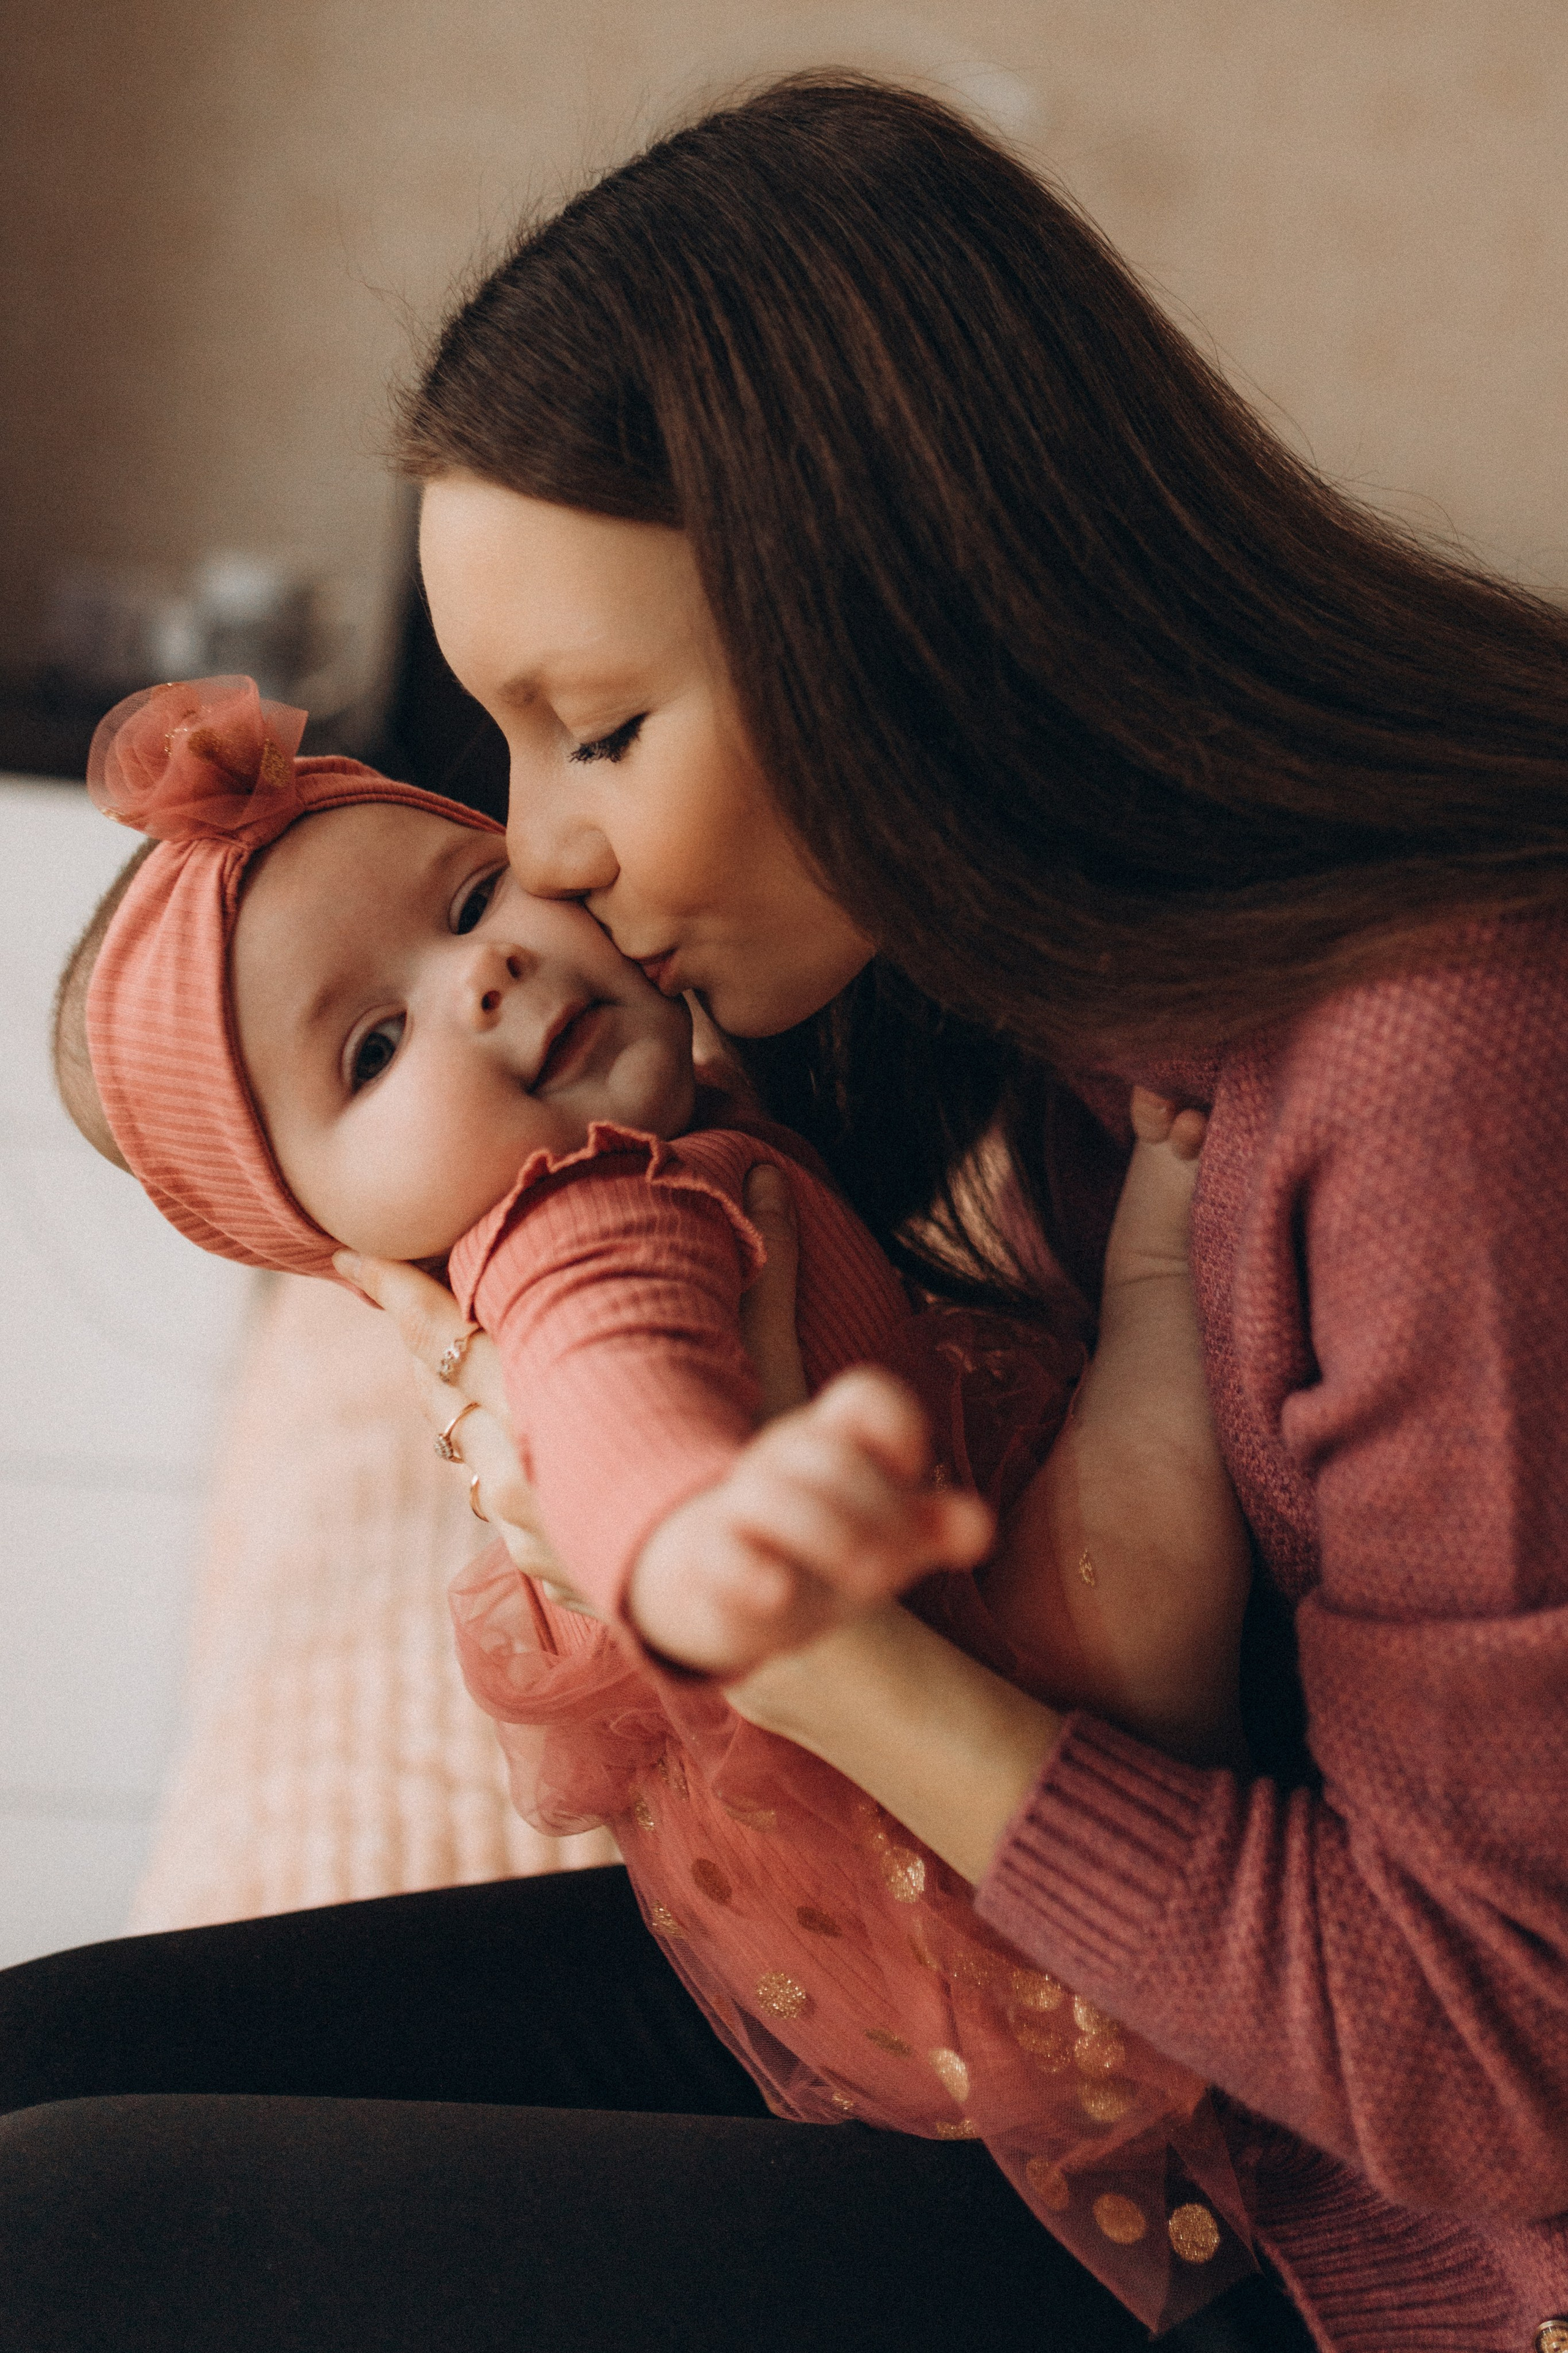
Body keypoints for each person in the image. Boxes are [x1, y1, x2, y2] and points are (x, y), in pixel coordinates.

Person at [5, 64, 1561, 2353]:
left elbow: (1500, 2073)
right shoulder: (1035, 983)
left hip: (1365, 2227)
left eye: (598, 733)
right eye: (500, 748)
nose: (541, 858)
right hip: (1104, 2010)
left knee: (64, 2235)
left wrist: (817, 1660)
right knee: (39, 2061)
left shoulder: (1440, 1068)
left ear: (911, 635)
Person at [52, 667, 1254, 2332]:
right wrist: (706, 1551)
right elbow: (621, 1428)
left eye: (473, 893)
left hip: (920, 1695)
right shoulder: (580, 1225)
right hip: (1010, 1752)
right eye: (375, 1045)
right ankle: (1159, 1278)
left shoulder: (677, 1111)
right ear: (334, 1245)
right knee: (1140, 1571)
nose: (479, 976)